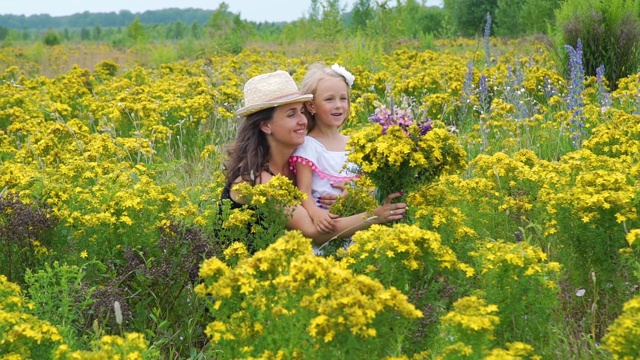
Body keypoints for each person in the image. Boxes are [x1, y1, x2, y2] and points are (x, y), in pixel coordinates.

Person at [221, 69, 406, 248]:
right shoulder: (256, 180)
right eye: (291, 114)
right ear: (265, 125)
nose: (302, 120)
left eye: (301, 111)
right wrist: (376, 216)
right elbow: (313, 231)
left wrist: (353, 195)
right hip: (246, 271)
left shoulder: (296, 160)